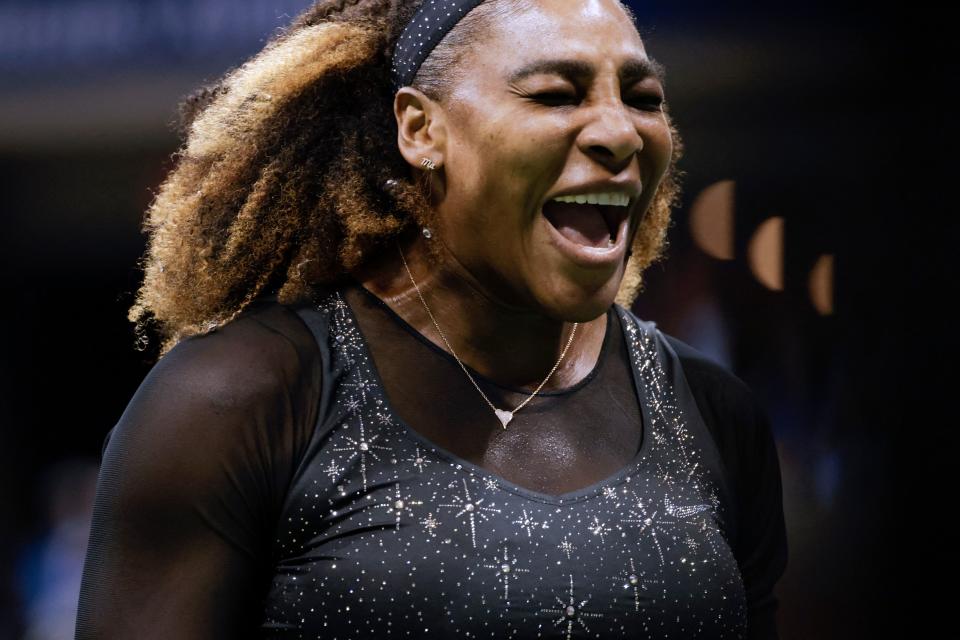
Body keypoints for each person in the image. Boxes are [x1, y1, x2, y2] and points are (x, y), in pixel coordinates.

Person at [75, 0, 788, 638]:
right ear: (421, 129)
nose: (621, 133)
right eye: (552, 94)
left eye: (643, 97)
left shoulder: (710, 411)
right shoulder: (237, 401)